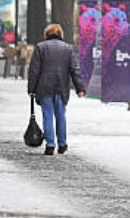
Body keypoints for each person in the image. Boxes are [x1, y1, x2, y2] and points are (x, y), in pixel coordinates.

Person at [27, 24, 86, 156]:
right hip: (61, 87)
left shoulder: (40, 47)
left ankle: (50, 145)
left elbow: (34, 71)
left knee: (47, 116)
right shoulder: (67, 48)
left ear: (47, 34)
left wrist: (31, 89)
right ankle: (62, 144)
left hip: (44, 87)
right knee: (61, 116)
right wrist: (80, 88)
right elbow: (74, 70)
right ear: (60, 34)